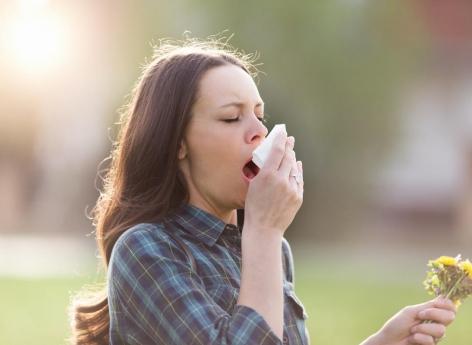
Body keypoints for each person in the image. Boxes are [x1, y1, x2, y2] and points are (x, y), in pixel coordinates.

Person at [70, 38, 457, 345]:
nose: (259, 130)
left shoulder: (269, 250)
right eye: (231, 117)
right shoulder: (147, 250)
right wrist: (266, 231)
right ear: (178, 144)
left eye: (259, 114)